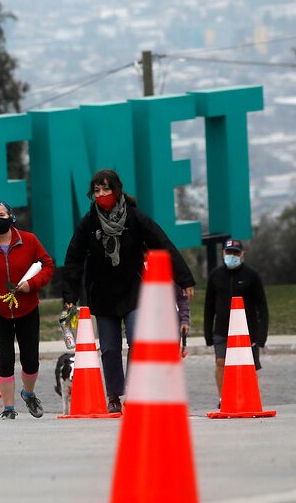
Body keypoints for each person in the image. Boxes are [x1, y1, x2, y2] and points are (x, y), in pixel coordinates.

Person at [62, 169, 195, 414]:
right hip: (102, 295)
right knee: (110, 348)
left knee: (136, 341)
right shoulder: (88, 222)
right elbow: (73, 259)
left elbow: (162, 244)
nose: (101, 194)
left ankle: (135, 391)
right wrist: (70, 295)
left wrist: (185, 279)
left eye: (106, 189)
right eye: (97, 190)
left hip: (134, 292)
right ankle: (114, 395)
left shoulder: (135, 218)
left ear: (117, 190)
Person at [0, 200, 55, 419]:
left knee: (30, 360)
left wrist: (31, 284)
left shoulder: (29, 240)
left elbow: (48, 265)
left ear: (11, 216)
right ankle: (8, 409)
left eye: (2, 214)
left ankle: (29, 394)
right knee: (5, 360)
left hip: (27, 309)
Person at [204, 239, 268, 404]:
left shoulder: (252, 276)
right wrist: (207, 333)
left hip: (248, 330)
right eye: (229, 252)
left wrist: (261, 337)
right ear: (223, 253)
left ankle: (247, 396)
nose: (232, 256)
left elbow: (262, 307)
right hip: (222, 328)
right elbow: (209, 305)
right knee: (220, 362)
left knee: (248, 366)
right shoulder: (215, 275)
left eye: (235, 253)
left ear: (242, 254)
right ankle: (223, 398)